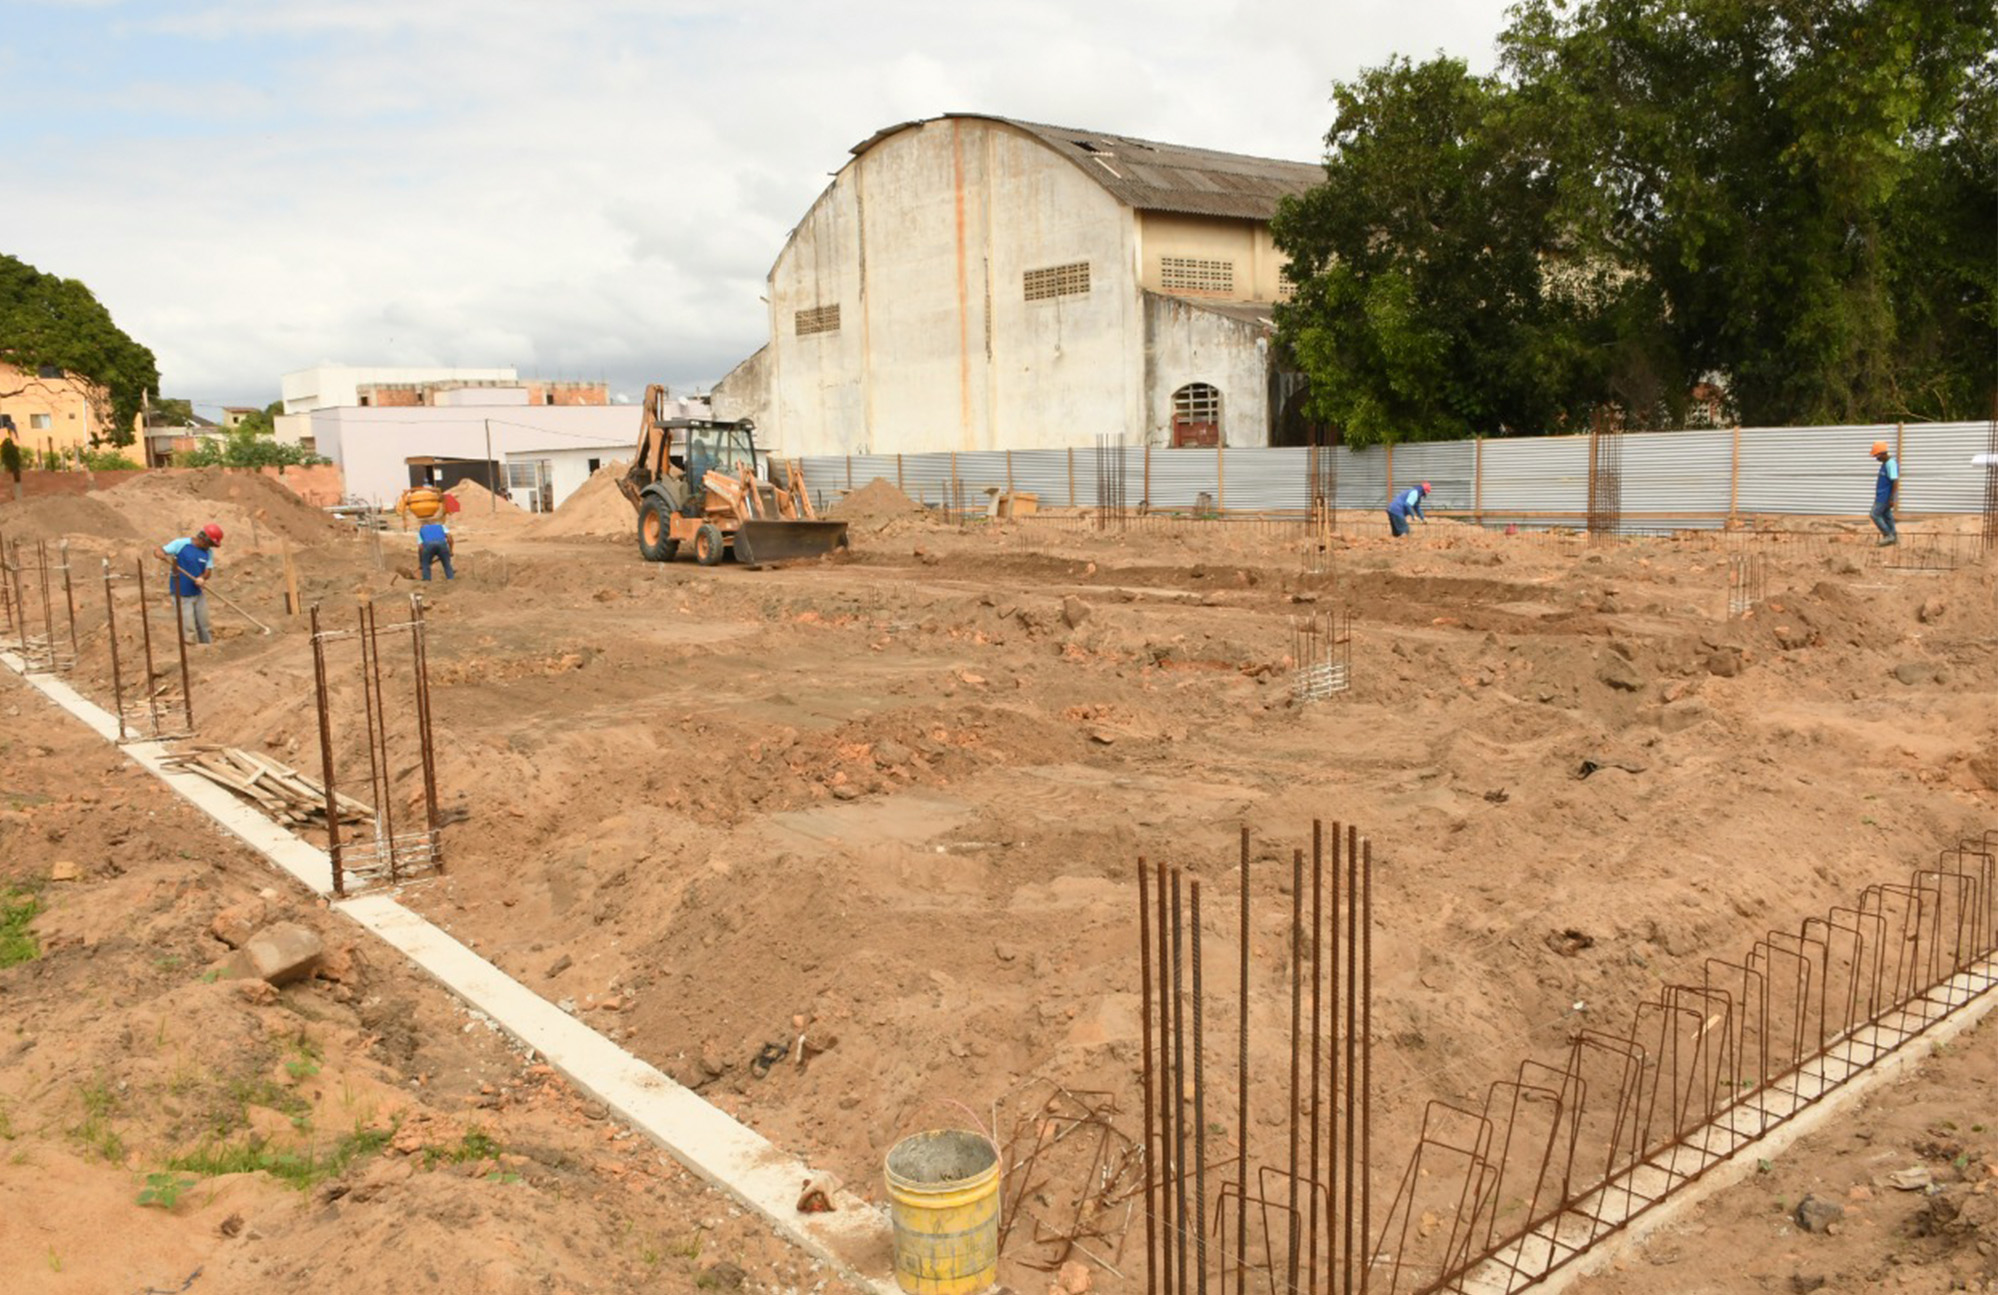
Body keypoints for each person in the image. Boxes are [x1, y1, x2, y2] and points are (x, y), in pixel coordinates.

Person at [159, 523, 222, 644]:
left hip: (198, 594)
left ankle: (208, 650)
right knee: (189, 629)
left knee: (204, 626)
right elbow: (159, 550)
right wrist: (160, 554)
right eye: (210, 544)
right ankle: (192, 653)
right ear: (204, 539)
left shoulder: (208, 553)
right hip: (181, 594)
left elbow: (208, 571)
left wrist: (202, 578)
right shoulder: (181, 544)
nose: (210, 547)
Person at [1869, 441, 1898, 546]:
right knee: (1887, 515)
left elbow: (1895, 481)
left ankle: (1888, 535)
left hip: (1885, 497)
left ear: (1882, 453)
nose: (1876, 458)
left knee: (1874, 514)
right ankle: (1894, 537)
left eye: (1877, 455)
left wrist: (1892, 499)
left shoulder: (1891, 464)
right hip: (1882, 495)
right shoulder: (1885, 463)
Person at [418, 516, 455, 580]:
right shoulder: (441, 526)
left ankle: (427, 582)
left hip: (428, 545)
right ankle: (451, 578)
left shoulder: (421, 529)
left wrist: (422, 562)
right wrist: (450, 550)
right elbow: (450, 538)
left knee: (426, 565)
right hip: (442, 544)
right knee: (447, 564)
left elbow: (421, 547)